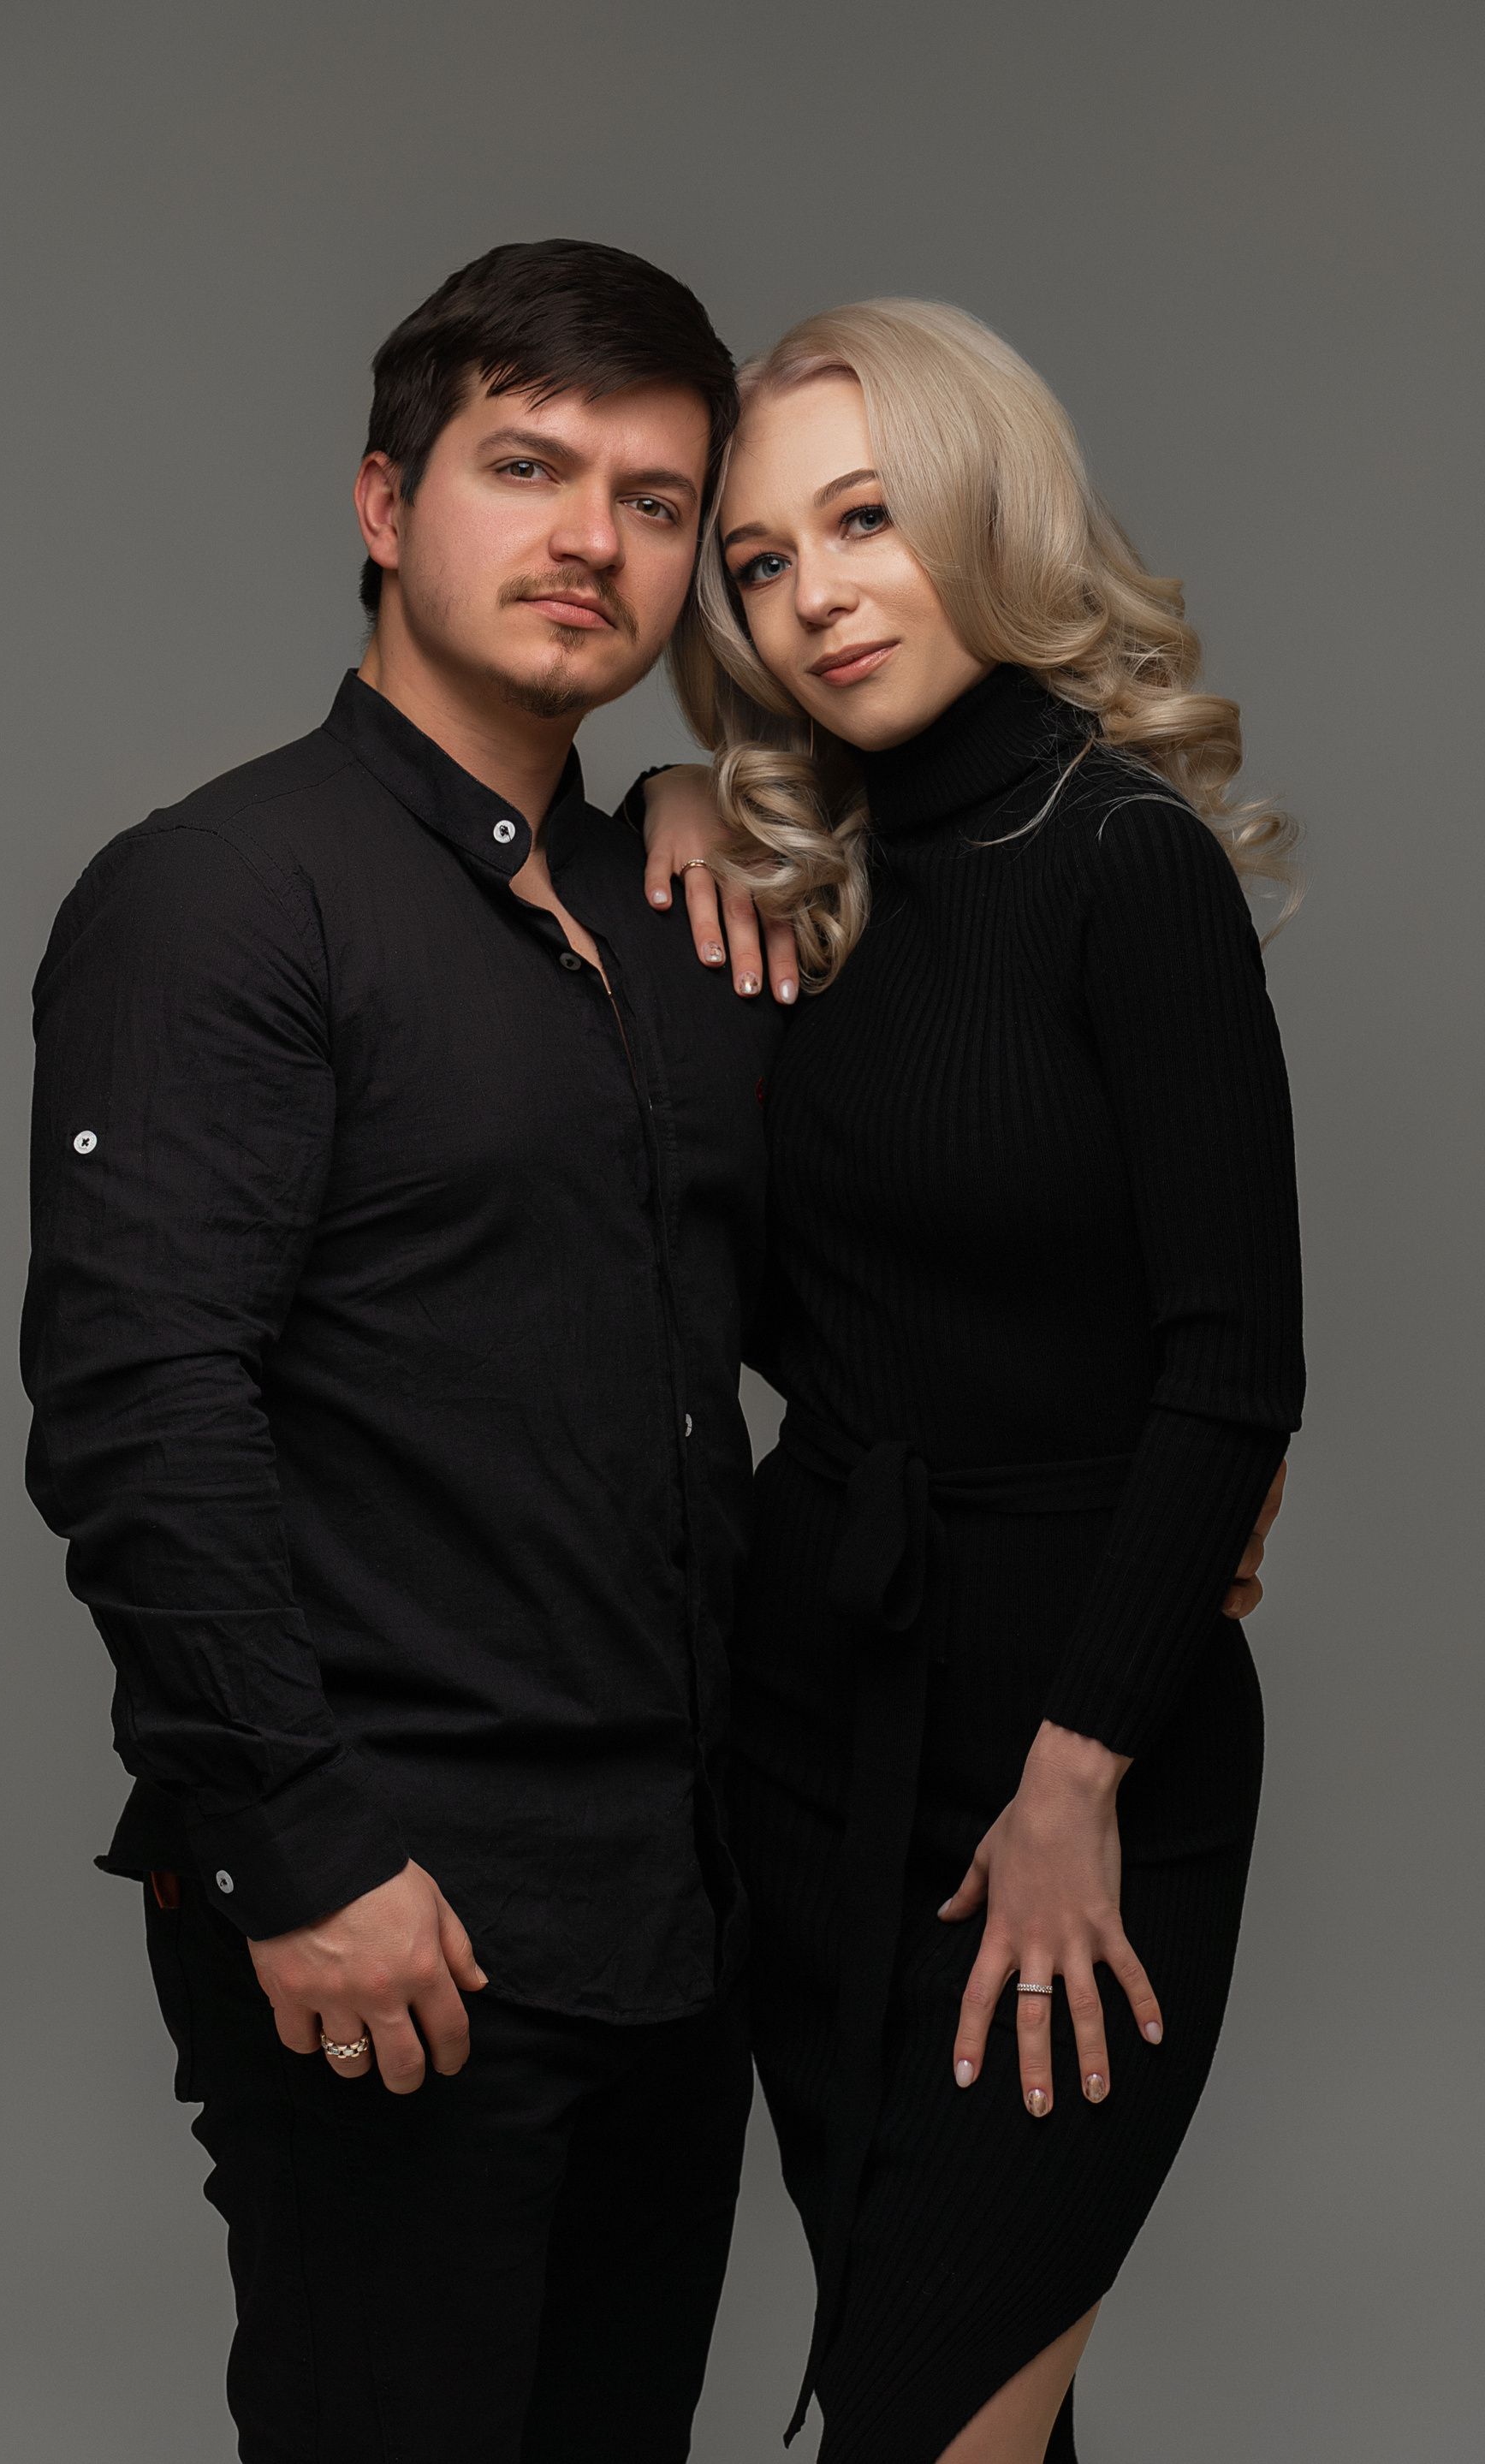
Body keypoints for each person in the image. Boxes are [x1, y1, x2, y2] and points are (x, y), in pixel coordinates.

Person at [20, 238, 796, 2464]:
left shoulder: (670, 911)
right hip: (397, 1917)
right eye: (525, 468)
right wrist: (298, 1851)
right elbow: (142, 1406)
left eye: (656, 502)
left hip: (673, 1913)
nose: (592, 540)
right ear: (384, 502)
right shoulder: (222, 895)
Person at [634, 298, 1304, 2464]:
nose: (816, 594)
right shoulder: (796, 895)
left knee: (931, 2414)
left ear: (988, 511)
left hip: (1081, 1769)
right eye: (759, 559)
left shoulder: (1125, 864)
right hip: (813, 1740)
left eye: (868, 520)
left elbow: (1234, 1368)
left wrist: (1076, 1778)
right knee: (941, 2400)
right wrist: (662, 798)